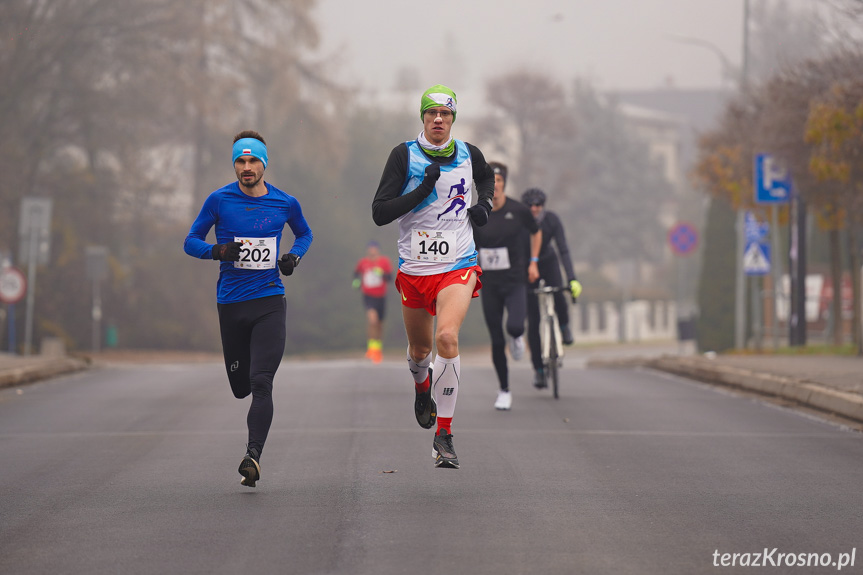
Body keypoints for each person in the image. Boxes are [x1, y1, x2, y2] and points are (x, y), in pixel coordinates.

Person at [372, 84, 494, 469]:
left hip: (458, 262)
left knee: (446, 337)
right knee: (421, 350)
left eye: (445, 113)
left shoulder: (469, 154)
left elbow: (486, 178)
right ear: (423, 118)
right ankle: (421, 385)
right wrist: (422, 189)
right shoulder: (402, 156)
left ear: (453, 118)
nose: (438, 119)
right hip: (415, 268)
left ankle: (445, 433)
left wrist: (484, 206)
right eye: (431, 113)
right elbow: (380, 212)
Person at [183, 130, 313, 487]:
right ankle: (251, 448)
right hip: (231, 304)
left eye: (253, 160)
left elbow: (305, 234)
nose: (246, 167)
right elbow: (190, 242)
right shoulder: (218, 200)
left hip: (270, 301)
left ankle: (252, 456)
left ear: (264, 164)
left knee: (261, 382)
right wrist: (217, 251)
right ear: (234, 165)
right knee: (241, 387)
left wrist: (293, 258)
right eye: (240, 161)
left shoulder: (285, 203)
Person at [473, 162, 541, 411]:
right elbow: (469, 244)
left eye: (500, 181)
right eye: (492, 181)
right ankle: (504, 390)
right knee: (496, 339)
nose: (496, 186)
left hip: (515, 282)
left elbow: (536, 232)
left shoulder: (519, 210)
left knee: (514, 326)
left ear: (503, 184)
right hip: (489, 284)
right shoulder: (477, 214)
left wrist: (533, 262)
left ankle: (517, 336)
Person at [521, 187, 582, 389]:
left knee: (558, 295)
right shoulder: (520, 222)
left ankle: (564, 326)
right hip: (526, 266)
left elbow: (563, 248)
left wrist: (572, 278)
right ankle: (538, 370)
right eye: (530, 205)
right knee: (533, 319)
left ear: (543, 206)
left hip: (549, 262)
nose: (534, 209)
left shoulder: (552, 220)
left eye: (538, 205)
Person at [352, 241, 393, 363]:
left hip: (381, 296)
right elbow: (355, 274)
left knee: (379, 324)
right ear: (367, 250)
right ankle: (371, 349)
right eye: (370, 249)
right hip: (368, 296)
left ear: (378, 250)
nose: (372, 251)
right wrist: (356, 283)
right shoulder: (363, 262)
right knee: (372, 320)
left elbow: (390, 278)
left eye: (374, 249)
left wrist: (381, 273)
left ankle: (378, 350)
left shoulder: (384, 261)